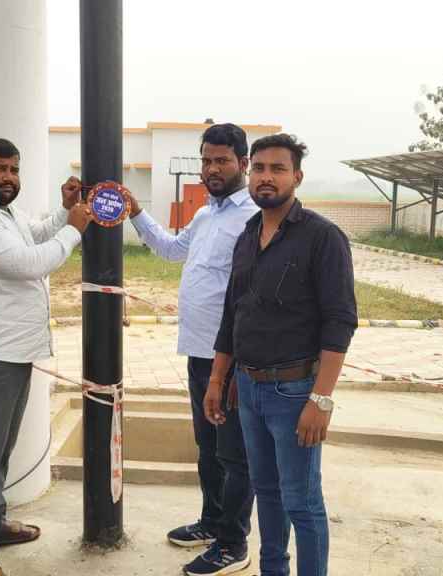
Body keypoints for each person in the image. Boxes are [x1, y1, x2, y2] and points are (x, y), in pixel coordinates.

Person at [206, 134, 358, 576]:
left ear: (297, 176)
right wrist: (218, 378)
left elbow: (340, 322)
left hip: (294, 393)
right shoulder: (248, 235)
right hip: (248, 389)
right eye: (258, 168)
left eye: (277, 169)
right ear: (248, 172)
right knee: (267, 493)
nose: (266, 177)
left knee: (302, 501)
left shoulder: (322, 238)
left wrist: (320, 399)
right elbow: (233, 313)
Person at [0, 136, 92, 576]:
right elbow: (29, 263)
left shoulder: (3, 212)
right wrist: (75, 229)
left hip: (11, 354)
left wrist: (64, 212)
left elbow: (36, 234)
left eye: (13, 169)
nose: (8, 177)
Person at [125, 123, 258, 576]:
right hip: (199, 354)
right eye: (206, 161)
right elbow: (170, 250)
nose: (212, 169)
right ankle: (212, 522)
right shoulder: (205, 215)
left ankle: (233, 543)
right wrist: (136, 212)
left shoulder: (252, 217)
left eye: (222, 160)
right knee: (208, 446)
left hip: (233, 358)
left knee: (235, 454)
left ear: (243, 163)